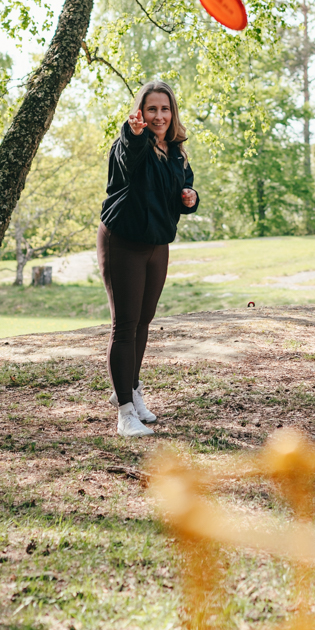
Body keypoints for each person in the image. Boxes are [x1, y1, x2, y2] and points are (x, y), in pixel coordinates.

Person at [98, 80, 199, 437]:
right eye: (152, 108)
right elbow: (126, 164)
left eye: (165, 109)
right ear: (140, 111)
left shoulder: (174, 151)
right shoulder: (131, 142)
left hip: (157, 244)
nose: (159, 115)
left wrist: (190, 197)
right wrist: (132, 133)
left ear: (173, 113)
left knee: (144, 320)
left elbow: (181, 190)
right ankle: (125, 411)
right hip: (123, 241)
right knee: (124, 324)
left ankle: (131, 390)